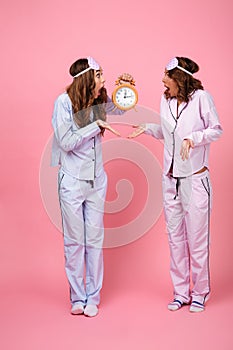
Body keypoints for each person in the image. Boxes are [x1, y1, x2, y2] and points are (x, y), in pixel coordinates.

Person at [128, 56, 223, 312]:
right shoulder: (165, 100)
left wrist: (193, 138)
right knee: (175, 239)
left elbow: (216, 129)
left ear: (179, 77)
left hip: (195, 179)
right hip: (170, 180)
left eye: (166, 75)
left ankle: (200, 292)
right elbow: (169, 132)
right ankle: (181, 292)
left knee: (197, 239)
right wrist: (148, 128)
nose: (162, 80)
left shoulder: (202, 98)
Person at [51, 56, 129, 317]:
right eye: (100, 75)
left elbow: (124, 106)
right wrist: (95, 126)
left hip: (97, 181)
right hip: (72, 182)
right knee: (74, 242)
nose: (103, 79)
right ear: (87, 78)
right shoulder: (63, 103)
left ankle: (93, 297)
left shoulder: (97, 102)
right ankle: (77, 297)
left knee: (94, 241)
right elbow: (66, 141)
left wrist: (125, 89)